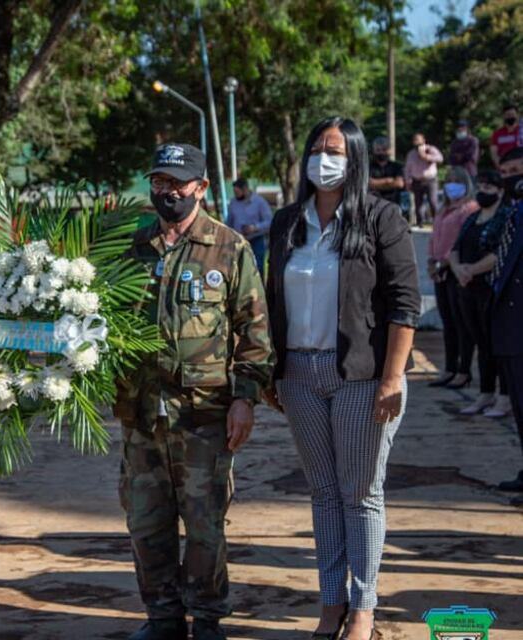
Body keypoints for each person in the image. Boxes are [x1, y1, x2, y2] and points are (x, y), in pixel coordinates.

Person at [265, 117, 420, 640]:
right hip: (299, 374)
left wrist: (392, 377)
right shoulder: (287, 222)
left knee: (361, 494)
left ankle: (364, 609)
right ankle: (330, 603)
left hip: (361, 375)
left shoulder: (381, 218)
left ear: (353, 160)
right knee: (324, 495)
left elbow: (405, 304)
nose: (322, 159)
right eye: (316, 149)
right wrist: (272, 371)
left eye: (334, 150)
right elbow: (270, 302)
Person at [114, 143, 274, 640]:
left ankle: (207, 620)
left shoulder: (229, 249)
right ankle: (162, 618)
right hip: (142, 416)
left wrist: (244, 399)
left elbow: (255, 335)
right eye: (159, 182)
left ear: (201, 188)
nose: (167, 192)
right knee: (146, 525)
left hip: (203, 416)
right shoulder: (132, 245)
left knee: (204, 529)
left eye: (177, 183)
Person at [449, 169, 513, 419]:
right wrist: (458, 270)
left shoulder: (506, 217)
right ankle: (485, 392)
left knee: (497, 345)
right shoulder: (472, 217)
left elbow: (501, 253)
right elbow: (455, 248)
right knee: (480, 343)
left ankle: (504, 397)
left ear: (499, 191)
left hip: (490, 289)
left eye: (489, 188)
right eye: (481, 187)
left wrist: (471, 270)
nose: (483, 191)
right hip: (466, 287)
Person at [489, 146, 523, 505]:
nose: (512, 177)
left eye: (518, 170)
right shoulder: (512, 211)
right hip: (509, 328)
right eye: (507, 170)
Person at [427, 166, 478, 388]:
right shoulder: (442, 209)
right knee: (448, 323)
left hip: (456, 270)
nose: (451, 184)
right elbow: (434, 237)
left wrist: (444, 262)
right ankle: (449, 368)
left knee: (462, 324)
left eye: (457, 180)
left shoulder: (469, 209)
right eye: (448, 180)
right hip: (440, 271)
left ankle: (463, 370)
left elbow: (460, 241)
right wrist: (432, 261)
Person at [226, 177, 273, 272]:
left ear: (245, 189)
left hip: (256, 240)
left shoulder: (259, 202)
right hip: (239, 240)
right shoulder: (233, 203)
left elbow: (269, 221)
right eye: (234, 192)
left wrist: (255, 228)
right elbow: (229, 222)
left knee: (257, 268)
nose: (236, 195)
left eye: (237, 192)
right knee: (240, 268)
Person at [404, 132, 444, 226]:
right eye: (414, 140)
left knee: (433, 202)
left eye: (418, 139)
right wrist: (408, 181)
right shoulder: (411, 154)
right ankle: (420, 223)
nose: (416, 142)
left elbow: (440, 159)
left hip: (430, 180)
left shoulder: (431, 149)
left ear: (423, 140)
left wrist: (426, 157)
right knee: (418, 204)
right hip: (417, 181)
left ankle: (437, 223)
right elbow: (407, 169)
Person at [368, 137, 405, 207]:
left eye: (384, 149)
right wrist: (389, 181)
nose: (381, 152)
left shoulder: (397, 166)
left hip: (394, 204)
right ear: (374, 151)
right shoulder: (368, 167)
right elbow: (368, 184)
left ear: (390, 151)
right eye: (378, 150)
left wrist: (376, 184)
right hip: (374, 204)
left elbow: (399, 184)